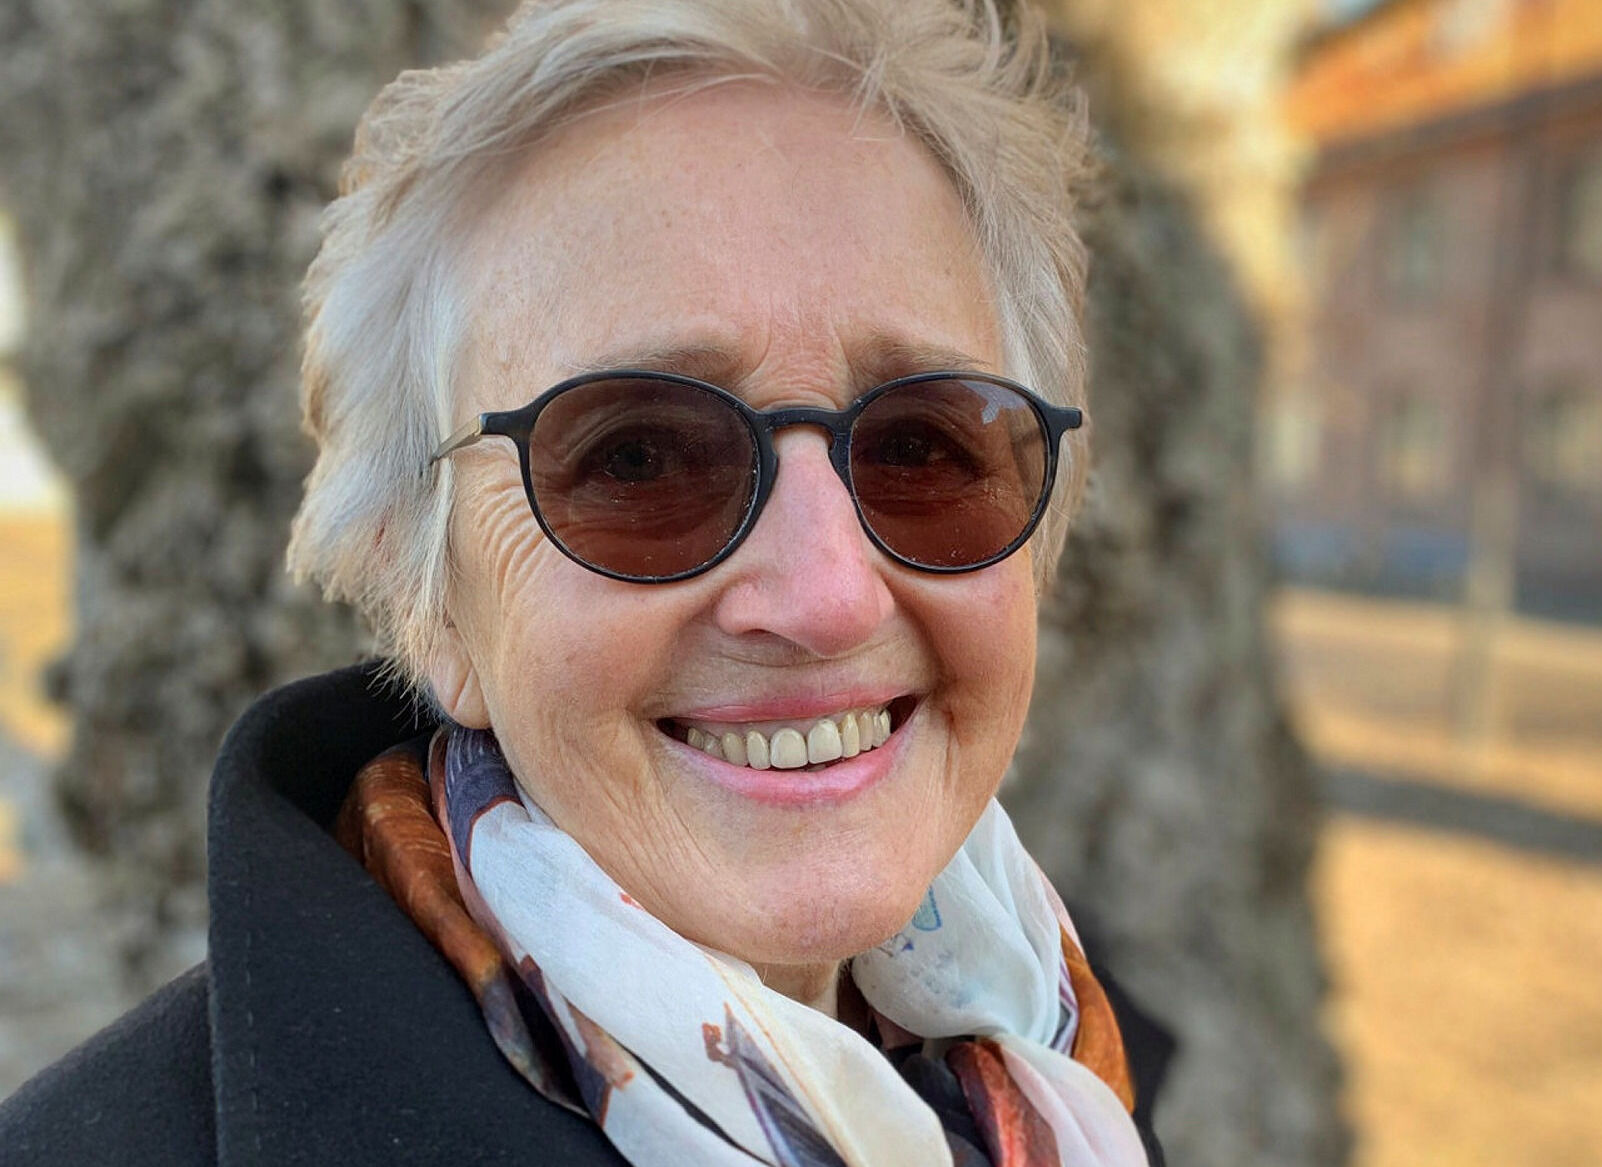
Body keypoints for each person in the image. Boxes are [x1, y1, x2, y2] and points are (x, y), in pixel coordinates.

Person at [1, 0, 1172, 1162]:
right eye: (639, 459)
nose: (828, 598)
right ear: (428, 596)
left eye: (921, 449)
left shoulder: (1066, 1087)